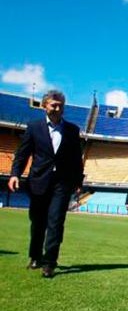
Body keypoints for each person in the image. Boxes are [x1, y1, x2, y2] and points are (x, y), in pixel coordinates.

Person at [8, 90, 84, 278]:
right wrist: (15, 174)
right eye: (54, 105)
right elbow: (22, 153)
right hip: (39, 181)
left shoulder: (72, 130)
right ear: (44, 106)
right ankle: (35, 256)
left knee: (56, 222)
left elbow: (77, 158)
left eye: (61, 106)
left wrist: (78, 181)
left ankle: (50, 262)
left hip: (62, 183)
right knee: (38, 222)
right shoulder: (34, 127)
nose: (57, 109)